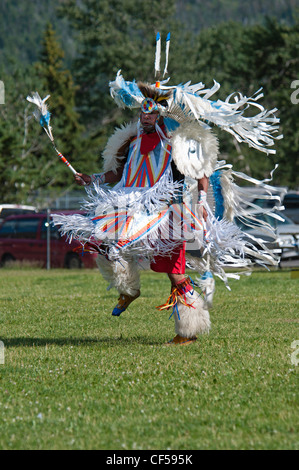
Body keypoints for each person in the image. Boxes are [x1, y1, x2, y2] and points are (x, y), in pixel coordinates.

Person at [52, 38, 283, 346]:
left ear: (158, 114)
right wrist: (91, 178)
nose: (145, 116)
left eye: (151, 112)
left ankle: (188, 331)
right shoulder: (132, 144)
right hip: (129, 207)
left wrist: (201, 201)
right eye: (142, 112)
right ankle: (129, 288)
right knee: (103, 238)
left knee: (175, 275)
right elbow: (118, 174)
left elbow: (200, 171)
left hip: (166, 215)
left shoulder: (173, 142)